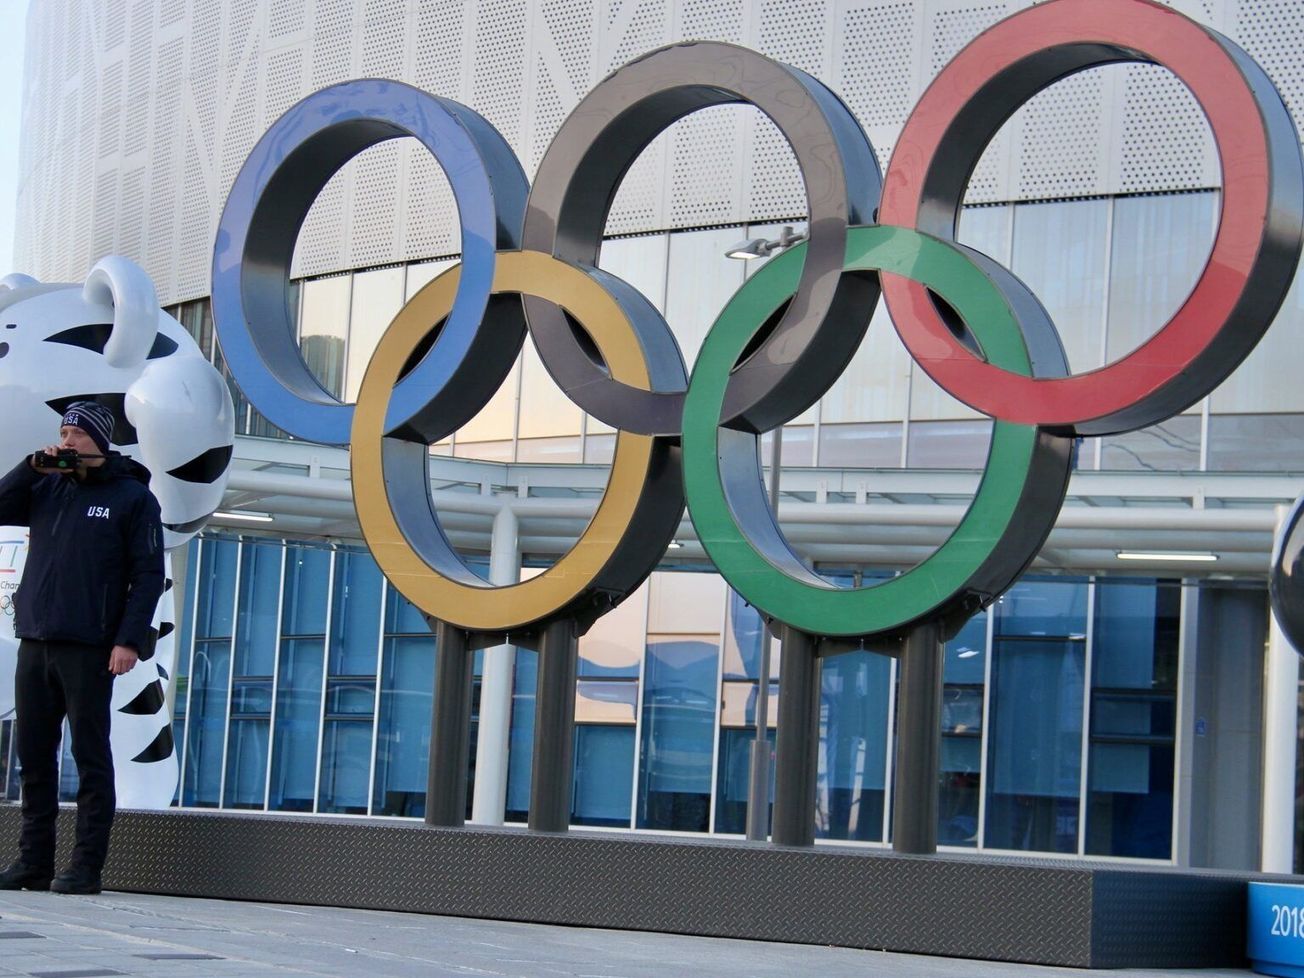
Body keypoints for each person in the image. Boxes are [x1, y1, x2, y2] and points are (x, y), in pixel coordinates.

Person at [0, 401, 164, 894]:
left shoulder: (132, 497)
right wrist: (30, 468)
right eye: (63, 432)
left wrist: (128, 640)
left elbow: (148, 576)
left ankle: (86, 867)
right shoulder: (47, 486)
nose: (66, 441)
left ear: (98, 439)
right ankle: (34, 862)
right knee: (34, 756)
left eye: (76, 434)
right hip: (36, 639)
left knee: (90, 755)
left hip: (91, 646)